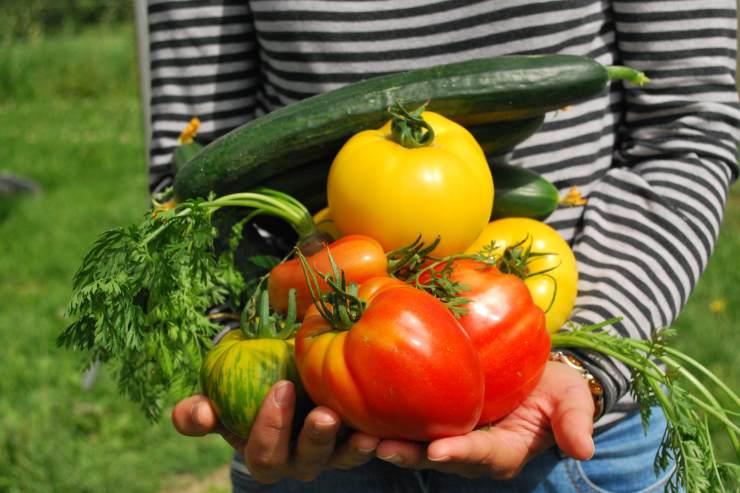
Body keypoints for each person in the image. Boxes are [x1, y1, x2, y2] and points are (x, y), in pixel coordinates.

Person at [145, 1, 739, 491]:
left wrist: (588, 362)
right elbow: (193, 183)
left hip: (566, 424)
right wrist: (240, 353)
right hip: (309, 406)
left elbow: (688, 129)